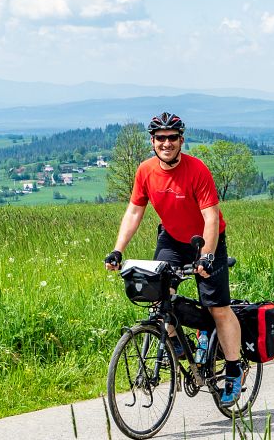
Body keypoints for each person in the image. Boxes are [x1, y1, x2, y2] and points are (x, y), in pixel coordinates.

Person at [104, 112, 246, 407]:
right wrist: (118, 250)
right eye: (160, 138)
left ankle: (234, 368)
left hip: (207, 241)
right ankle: (183, 348)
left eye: (172, 138)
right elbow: (134, 212)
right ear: (153, 141)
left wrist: (206, 257)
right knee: (158, 296)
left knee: (217, 307)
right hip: (171, 238)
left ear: (181, 140)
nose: (166, 143)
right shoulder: (145, 171)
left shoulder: (197, 170)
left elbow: (210, 217)